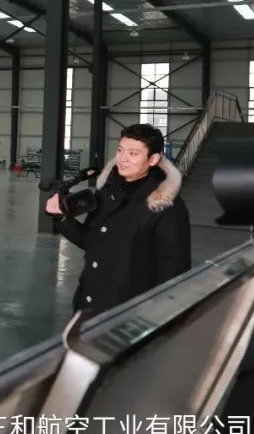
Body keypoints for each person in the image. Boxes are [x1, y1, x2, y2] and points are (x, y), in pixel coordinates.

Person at [46, 123, 191, 315]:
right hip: (88, 303)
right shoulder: (107, 192)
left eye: (133, 153)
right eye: (120, 150)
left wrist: (154, 317)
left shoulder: (165, 205)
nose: (122, 158)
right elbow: (92, 241)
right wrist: (62, 219)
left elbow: (173, 270)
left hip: (128, 314)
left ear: (153, 159)